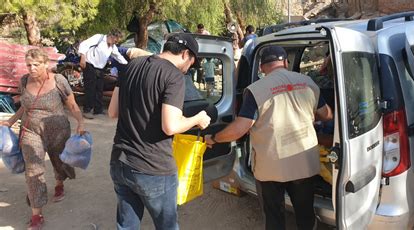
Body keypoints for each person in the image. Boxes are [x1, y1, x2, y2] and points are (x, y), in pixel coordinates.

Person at [205, 46, 333, 230]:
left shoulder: (256, 90)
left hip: (271, 167)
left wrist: (214, 138)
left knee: (274, 217)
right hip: (304, 162)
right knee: (305, 214)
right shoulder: (308, 82)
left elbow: (240, 129)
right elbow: (327, 114)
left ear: (262, 68)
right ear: (286, 63)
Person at [107, 33, 211, 230]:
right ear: (185, 54)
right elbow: (170, 126)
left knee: (126, 225)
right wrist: (197, 119)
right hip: (153, 167)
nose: (189, 68)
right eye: (192, 63)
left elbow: (113, 112)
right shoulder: (173, 76)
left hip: (120, 161)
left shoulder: (131, 66)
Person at [0, 49, 85, 230]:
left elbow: (71, 104)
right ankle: (36, 214)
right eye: (29, 64)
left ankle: (60, 182)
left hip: (58, 130)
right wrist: (11, 121)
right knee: (34, 170)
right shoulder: (24, 81)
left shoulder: (59, 81)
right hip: (31, 130)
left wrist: (80, 122)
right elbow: (25, 105)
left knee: (59, 161)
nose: (31, 68)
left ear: (46, 64)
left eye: (36, 64)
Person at [78, 29, 128, 119]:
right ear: (112, 36)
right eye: (116, 40)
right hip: (90, 65)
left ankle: (98, 110)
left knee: (99, 89)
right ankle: (87, 109)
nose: (116, 42)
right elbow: (84, 44)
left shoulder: (112, 46)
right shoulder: (99, 38)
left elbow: (118, 56)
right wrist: (82, 57)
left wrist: (128, 65)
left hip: (100, 68)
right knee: (90, 88)